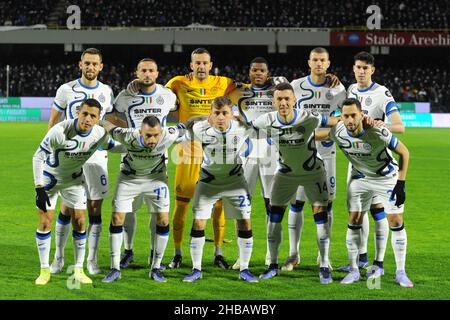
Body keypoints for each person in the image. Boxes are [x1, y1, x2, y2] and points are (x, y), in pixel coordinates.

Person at [250, 83, 343, 284]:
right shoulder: (265, 120)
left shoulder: (307, 117)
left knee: (321, 217)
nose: (283, 103)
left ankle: (325, 264)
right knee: (273, 219)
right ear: (274, 102)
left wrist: (354, 121)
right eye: (279, 99)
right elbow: (245, 127)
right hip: (285, 174)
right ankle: (273, 265)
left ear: (294, 100)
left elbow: (333, 120)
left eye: (287, 99)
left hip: (313, 173)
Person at [327, 98, 413, 287]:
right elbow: (315, 134)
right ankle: (354, 270)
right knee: (353, 220)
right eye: (345, 116)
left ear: (361, 115)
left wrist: (401, 182)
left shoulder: (378, 131)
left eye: (353, 115)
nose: (349, 120)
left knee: (396, 221)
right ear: (340, 117)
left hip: (386, 178)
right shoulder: (338, 132)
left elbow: (404, 152)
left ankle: (401, 272)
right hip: (361, 179)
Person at [33, 99, 119, 285]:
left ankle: (79, 269)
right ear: (78, 112)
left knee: (80, 221)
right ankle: (44, 270)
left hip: (73, 180)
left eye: (93, 116)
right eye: (85, 114)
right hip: (51, 180)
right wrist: (39, 188)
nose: (87, 119)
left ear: (98, 119)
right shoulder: (60, 131)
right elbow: (38, 157)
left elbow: (114, 147)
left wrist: (139, 145)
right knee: (45, 221)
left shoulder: (98, 133)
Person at [164, 48, 237, 269]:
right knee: (181, 204)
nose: (201, 67)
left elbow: (252, 87)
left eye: (205, 63)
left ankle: (218, 253)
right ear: (191, 65)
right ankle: (177, 253)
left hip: (216, 151)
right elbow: (157, 93)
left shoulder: (225, 82)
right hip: (188, 151)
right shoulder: (177, 83)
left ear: (211, 64)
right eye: (197, 63)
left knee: (219, 205)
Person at [47, 48, 115, 275]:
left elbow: (106, 122)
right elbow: (54, 122)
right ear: (80, 64)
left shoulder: (106, 91)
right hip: (70, 157)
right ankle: (58, 257)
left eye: (95, 64)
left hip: (96, 156)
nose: (91, 67)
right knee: (68, 208)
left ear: (101, 66)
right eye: (87, 63)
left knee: (95, 207)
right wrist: (51, 151)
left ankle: (92, 261)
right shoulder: (66, 90)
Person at [100, 116, 190, 283]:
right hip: (129, 179)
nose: (152, 139)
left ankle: (155, 268)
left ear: (161, 132)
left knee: (163, 221)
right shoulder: (127, 135)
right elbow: (109, 126)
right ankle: (114, 268)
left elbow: (189, 123)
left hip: (156, 180)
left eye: (155, 135)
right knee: (117, 218)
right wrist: (98, 120)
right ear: (140, 132)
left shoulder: (168, 134)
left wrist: (208, 118)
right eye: (148, 135)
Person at [338, 51, 406, 272]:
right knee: (357, 211)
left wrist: (376, 124)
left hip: (377, 161)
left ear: (372, 70)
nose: (361, 71)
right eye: (358, 67)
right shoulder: (351, 90)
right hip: (356, 162)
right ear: (354, 68)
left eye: (365, 68)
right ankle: (362, 258)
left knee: (378, 210)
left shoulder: (382, 94)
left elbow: (399, 126)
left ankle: (378, 262)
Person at [182, 97, 258, 283]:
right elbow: (183, 131)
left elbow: (261, 126)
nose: (221, 117)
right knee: (199, 222)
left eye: (225, 113)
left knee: (244, 222)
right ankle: (196, 269)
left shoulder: (242, 128)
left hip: (235, 182)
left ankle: (245, 269)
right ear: (211, 114)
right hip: (208, 182)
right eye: (216, 113)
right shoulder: (200, 129)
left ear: (231, 114)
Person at [112, 58, 177, 270]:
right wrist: (130, 133)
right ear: (137, 72)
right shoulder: (125, 96)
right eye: (143, 71)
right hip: (130, 161)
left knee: (156, 213)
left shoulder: (167, 96)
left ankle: (153, 253)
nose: (147, 74)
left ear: (157, 73)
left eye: (151, 70)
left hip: (158, 165)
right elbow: (112, 117)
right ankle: (128, 251)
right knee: (127, 211)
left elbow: (178, 112)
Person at [286, 47, 346, 271]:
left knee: (325, 205)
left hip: (327, 153)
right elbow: (289, 115)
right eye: (315, 60)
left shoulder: (338, 88)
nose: (319, 64)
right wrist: (324, 121)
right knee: (297, 203)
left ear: (328, 63)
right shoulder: (296, 86)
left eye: (322, 60)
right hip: (300, 152)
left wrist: (321, 122)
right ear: (308, 62)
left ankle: (325, 257)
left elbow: (346, 116)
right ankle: (294, 255)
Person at [228, 57, 287, 269]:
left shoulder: (277, 92)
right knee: (241, 205)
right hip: (247, 154)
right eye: (254, 70)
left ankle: (272, 256)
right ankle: (242, 257)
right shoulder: (240, 92)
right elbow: (219, 96)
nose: (258, 73)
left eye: (262, 70)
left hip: (272, 154)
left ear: (268, 72)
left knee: (273, 206)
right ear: (249, 72)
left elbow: (292, 94)